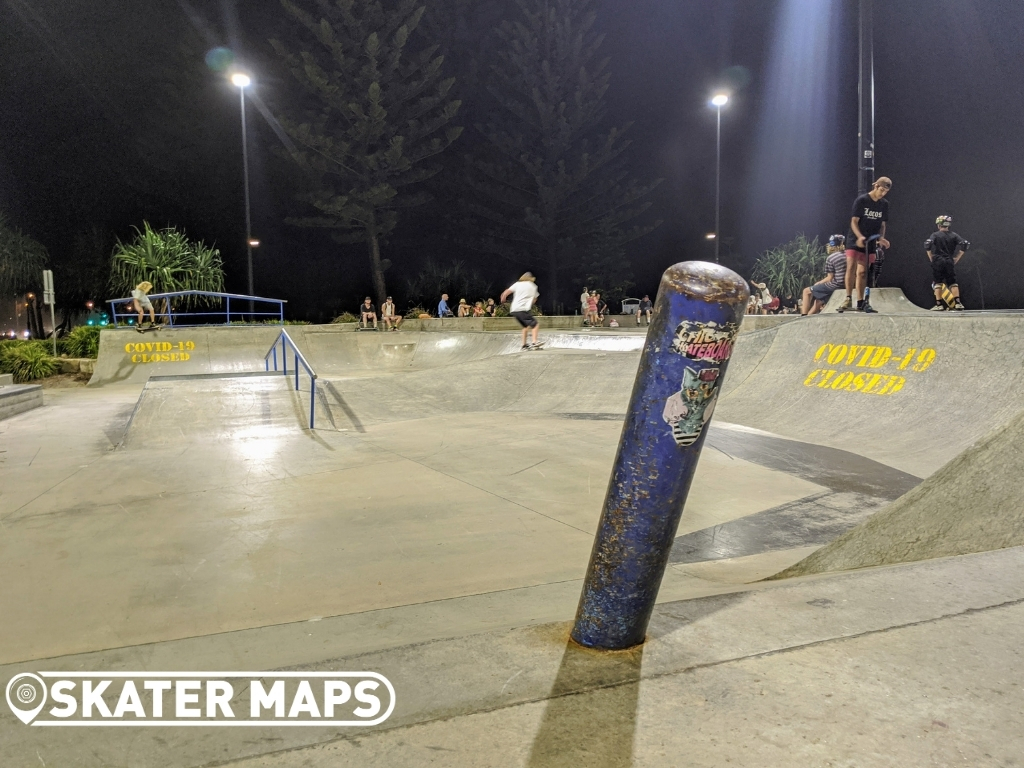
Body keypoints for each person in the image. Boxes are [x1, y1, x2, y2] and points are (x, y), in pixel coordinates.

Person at [842, 176, 892, 312]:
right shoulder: (862, 200)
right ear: (875, 186)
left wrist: (881, 238)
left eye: (885, 192)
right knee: (851, 267)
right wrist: (859, 236)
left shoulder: (884, 204)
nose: (882, 194)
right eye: (881, 190)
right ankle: (847, 297)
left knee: (863, 272)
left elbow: (882, 223)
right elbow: (854, 221)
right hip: (855, 239)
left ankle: (860, 301)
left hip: (870, 241)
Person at [925, 215, 968, 311]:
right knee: (952, 282)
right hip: (949, 261)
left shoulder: (935, 235)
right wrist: (957, 258)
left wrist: (931, 257)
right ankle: (958, 303)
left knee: (938, 283)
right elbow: (965, 244)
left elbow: (927, 245)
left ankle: (939, 304)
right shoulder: (954, 235)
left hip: (938, 260)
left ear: (939, 225)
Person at [801, 234, 848, 315]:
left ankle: (803, 316)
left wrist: (819, 283)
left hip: (836, 285)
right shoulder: (849, 255)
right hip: (847, 284)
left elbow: (830, 278)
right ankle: (808, 317)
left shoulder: (831, 258)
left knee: (806, 291)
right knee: (818, 300)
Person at [500, 272, 541, 349]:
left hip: (514, 310)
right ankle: (534, 342)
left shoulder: (517, 284)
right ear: (532, 279)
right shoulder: (533, 286)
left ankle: (524, 345)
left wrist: (503, 298)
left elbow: (506, 293)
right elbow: (535, 299)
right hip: (523, 309)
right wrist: (530, 303)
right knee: (535, 325)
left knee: (525, 326)